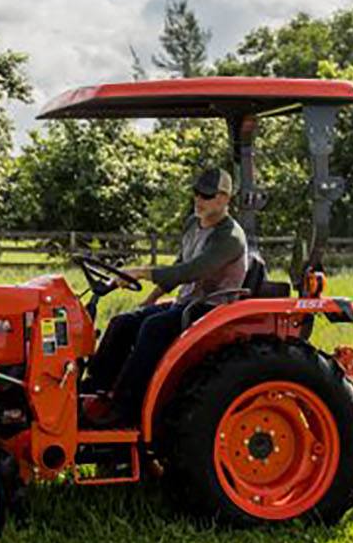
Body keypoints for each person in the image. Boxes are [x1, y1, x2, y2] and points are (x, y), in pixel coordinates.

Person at [86, 167, 248, 420]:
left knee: (153, 328)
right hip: (187, 303)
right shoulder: (193, 225)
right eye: (196, 193)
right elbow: (178, 266)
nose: (198, 200)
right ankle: (94, 389)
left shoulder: (229, 237)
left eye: (206, 195)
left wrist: (141, 272)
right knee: (124, 322)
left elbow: (191, 271)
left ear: (224, 198)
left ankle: (126, 408)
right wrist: (149, 299)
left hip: (210, 310)